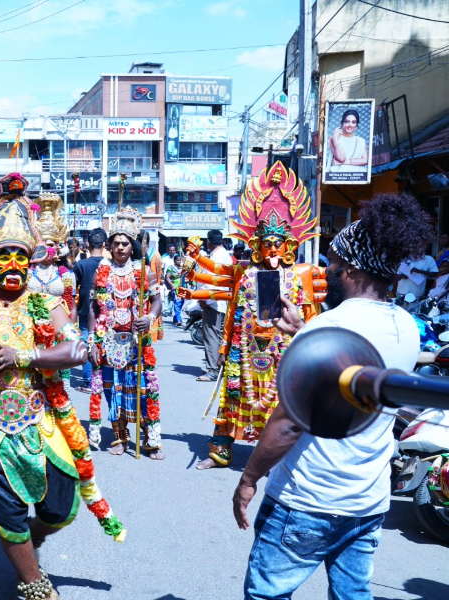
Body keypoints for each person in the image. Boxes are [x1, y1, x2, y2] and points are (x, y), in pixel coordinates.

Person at [0, 174, 125, 596]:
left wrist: (23, 356)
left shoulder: (45, 303)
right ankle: (34, 584)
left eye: (20, 255)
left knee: (61, 509)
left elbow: (78, 351)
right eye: (4, 255)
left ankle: (27, 543)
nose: (13, 264)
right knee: (8, 515)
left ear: (31, 262)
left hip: (44, 426)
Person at [233, 192, 431, 599]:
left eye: (333, 266)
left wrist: (249, 477)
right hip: (368, 500)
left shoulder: (327, 327)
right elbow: (349, 377)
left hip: (308, 499)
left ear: (352, 270)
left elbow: (289, 423)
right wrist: (300, 335)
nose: (328, 273)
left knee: (267, 594)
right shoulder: (407, 327)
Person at [181, 162, 326, 470]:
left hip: (283, 352)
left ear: (287, 246)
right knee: (231, 398)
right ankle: (220, 453)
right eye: (267, 244)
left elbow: (312, 318)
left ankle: (284, 457)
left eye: (278, 243)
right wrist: (223, 347)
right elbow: (230, 307)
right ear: (258, 246)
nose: (272, 249)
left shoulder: (301, 275)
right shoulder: (245, 273)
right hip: (244, 350)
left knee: (284, 404)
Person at [89, 207, 164, 458]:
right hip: (108, 340)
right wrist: (91, 340)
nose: (120, 247)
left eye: (125, 243)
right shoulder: (101, 270)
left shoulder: (144, 270)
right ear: (110, 245)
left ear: (133, 246)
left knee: (143, 388)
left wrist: (149, 317)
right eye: (116, 243)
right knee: (112, 389)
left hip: (136, 341)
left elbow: (157, 300)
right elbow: (91, 307)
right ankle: (119, 437)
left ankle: (149, 439)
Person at [28, 192, 77, 321]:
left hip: (58, 325)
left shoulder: (67, 275)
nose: (48, 247)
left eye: (52, 243)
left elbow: (71, 307)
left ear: (58, 247)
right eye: (43, 243)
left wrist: (71, 332)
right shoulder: (27, 272)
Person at [71, 227, 106, 393]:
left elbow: (71, 289)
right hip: (106, 312)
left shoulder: (81, 264)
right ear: (105, 245)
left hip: (86, 310)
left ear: (87, 244)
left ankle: (89, 381)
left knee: (87, 343)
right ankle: (103, 379)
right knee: (105, 344)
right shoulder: (110, 264)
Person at [196, 229, 233, 382]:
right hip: (222, 301)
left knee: (211, 335)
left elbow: (210, 280)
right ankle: (219, 368)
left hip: (214, 301)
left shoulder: (215, 257)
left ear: (208, 242)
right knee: (218, 335)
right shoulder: (226, 255)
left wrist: (204, 299)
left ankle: (212, 370)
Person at [163, 254, 184, 325]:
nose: (179, 262)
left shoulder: (182, 268)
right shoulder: (171, 268)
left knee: (181, 303)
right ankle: (178, 320)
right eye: (178, 260)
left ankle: (175, 318)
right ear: (174, 261)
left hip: (182, 288)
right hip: (175, 288)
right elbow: (167, 278)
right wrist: (172, 286)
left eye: (180, 260)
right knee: (177, 303)